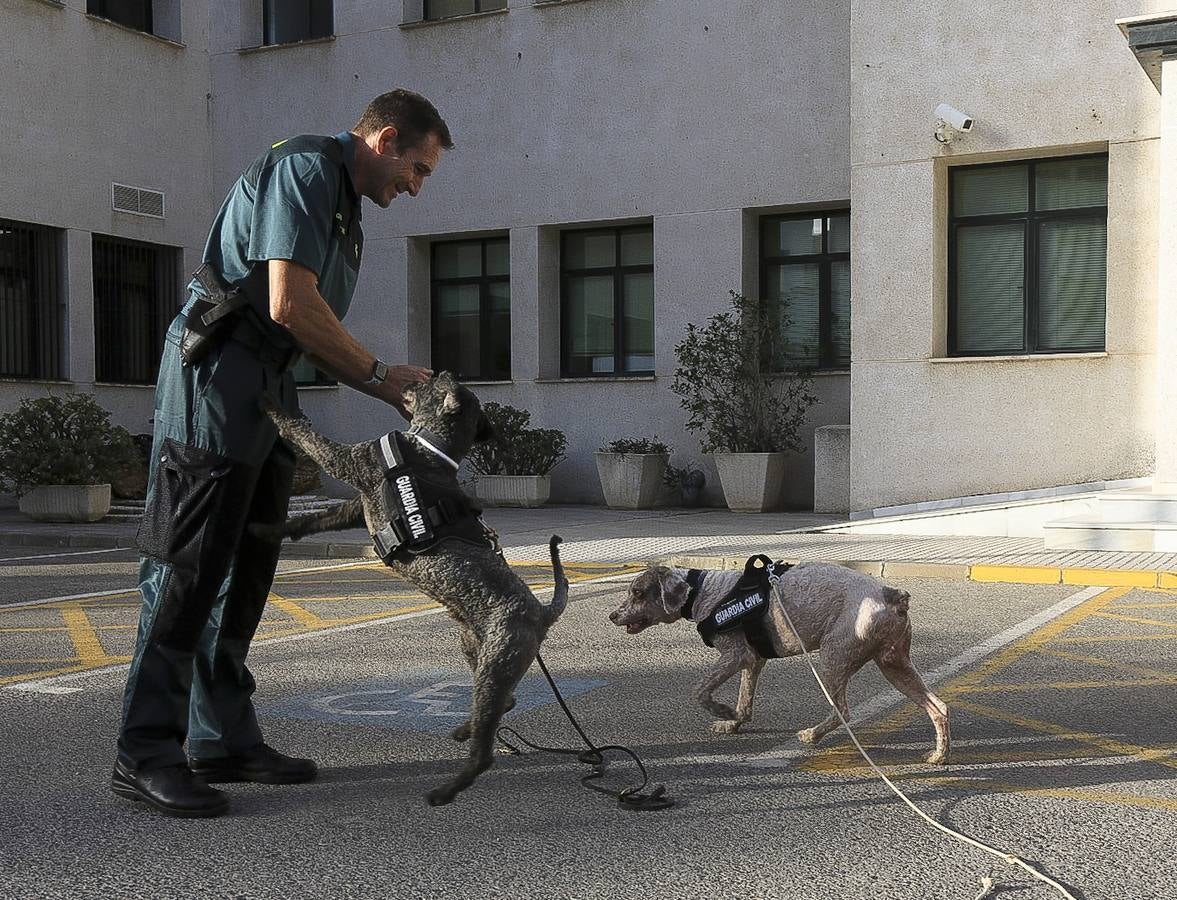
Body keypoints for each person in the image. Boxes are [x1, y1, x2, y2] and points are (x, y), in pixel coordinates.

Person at [112, 90, 451, 818]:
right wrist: (379, 377)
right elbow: (289, 305)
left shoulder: (346, 208)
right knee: (186, 561)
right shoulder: (305, 169)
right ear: (386, 139)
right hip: (218, 367)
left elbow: (303, 324)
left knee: (251, 557)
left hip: (270, 380)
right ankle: (144, 752)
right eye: (417, 169)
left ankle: (220, 736)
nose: (416, 187)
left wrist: (372, 381)